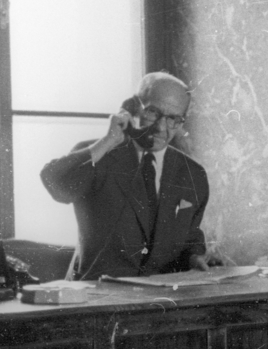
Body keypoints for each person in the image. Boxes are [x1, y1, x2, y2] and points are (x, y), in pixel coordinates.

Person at [40, 71, 211, 280]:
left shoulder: (193, 174)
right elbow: (56, 185)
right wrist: (109, 140)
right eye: (152, 112)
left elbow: (190, 234)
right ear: (132, 107)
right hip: (98, 297)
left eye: (173, 119)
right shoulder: (100, 154)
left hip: (161, 301)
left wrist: (195, 256)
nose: (160, 127)